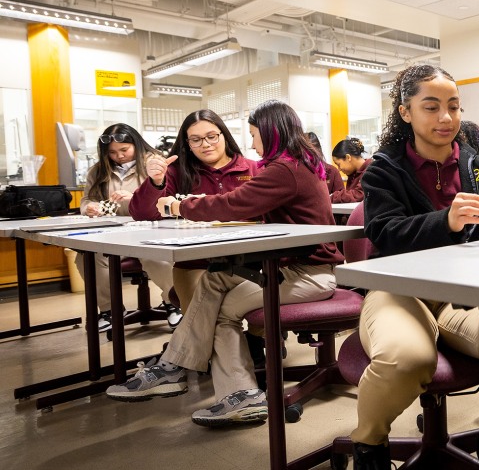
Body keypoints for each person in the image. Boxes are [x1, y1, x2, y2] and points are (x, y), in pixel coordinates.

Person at [107, 100, 344, 427]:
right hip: (289, 268)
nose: (251, 142)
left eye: (254, 134)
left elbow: (235, 203)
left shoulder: (283, 170)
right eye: (196, 139)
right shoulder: (294, 164)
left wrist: (180, 207)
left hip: (307, 275)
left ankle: (211, 383)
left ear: (271, 132)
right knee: (215, 280)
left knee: (216, 308)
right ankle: (196, 376)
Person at [350, 64, 479, 470]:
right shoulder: (384, 169)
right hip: (398, 289)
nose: (446, 118)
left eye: (453, 107)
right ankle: (368, 446)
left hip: (465, 293)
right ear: (405, 113)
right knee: (407, 357)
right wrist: (447, 221)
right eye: (431, 107)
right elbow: (385, 232)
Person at [130, 110, 261, 311]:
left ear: (224, 135)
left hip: (250, 262)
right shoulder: (176, 173)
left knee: (263, 317)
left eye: (211, 137)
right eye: (196, 140)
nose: (206, 144)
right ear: (187, 144)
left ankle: (256, 340)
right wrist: (156, 182)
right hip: (196, 263)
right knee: (202, 320)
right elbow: (143, 214)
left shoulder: (254, 169)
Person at [77, 123, 177, 332]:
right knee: (88, 257)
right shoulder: (99, 171)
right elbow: (87, 199)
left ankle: (174, 302)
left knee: (155, 256)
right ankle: (110, 310)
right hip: (113, 233)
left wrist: (136, 198)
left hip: (150, 228)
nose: (119, 156)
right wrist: (90, 207)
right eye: (112, 152)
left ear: (137, 144)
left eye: (124, 150)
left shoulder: (155, 164)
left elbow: (169, 198)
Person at [330, 137, 371, 203]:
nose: (339, 169)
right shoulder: (353, 174)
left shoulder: (371, 170)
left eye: (338, 164)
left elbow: (359, 194)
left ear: (348, 157)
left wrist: (332, 197)